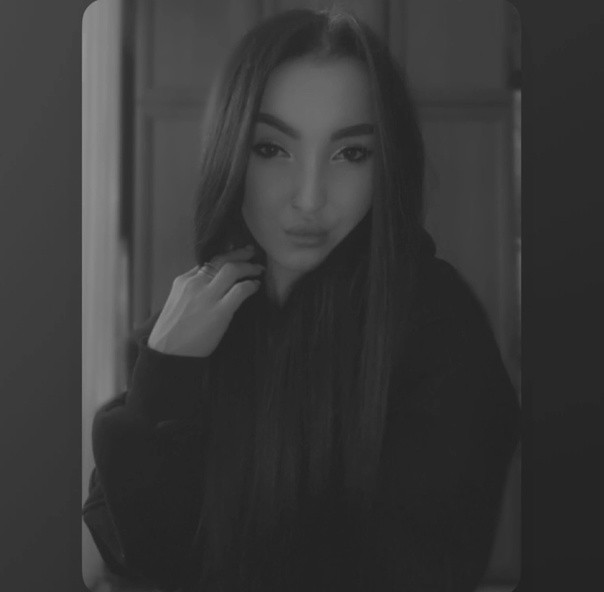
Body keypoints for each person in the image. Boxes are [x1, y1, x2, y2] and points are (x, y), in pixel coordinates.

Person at [83, 8, 520, 592]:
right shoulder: (195, 316)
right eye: (272, 149)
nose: (310, 199)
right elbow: (133, 555)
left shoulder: (440, 331)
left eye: (351, 153)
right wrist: (166, 370)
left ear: (387, 163)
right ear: (232, 151)